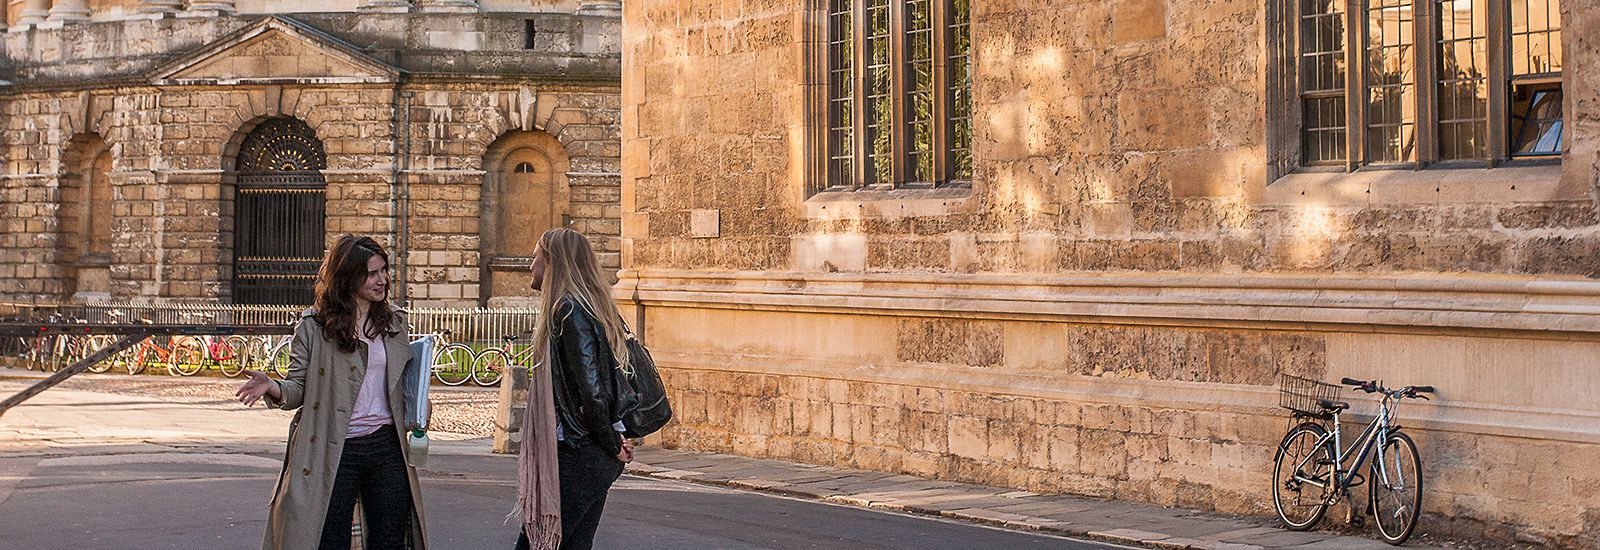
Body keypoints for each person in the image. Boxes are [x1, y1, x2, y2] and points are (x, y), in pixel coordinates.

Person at [236, 235, 428, 550]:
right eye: (372, 274)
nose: (382, 280)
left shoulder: (394, 323)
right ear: (348, 277)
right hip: (335, 447)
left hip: (386, 445)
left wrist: (419, 403)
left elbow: (403, 381)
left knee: (390, 537)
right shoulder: (315, 327)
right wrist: (272, 386)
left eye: (384, 271)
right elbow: (298, 388)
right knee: (331, 539)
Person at [515, 228, 637, 550]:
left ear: (553, 263)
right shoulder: (579, 309)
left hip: (582, 453)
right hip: (590, 452)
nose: (530, 264)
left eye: (536, 257)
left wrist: (612, 445)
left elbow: (591, 391)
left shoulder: (569, 311)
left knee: (540, 543)